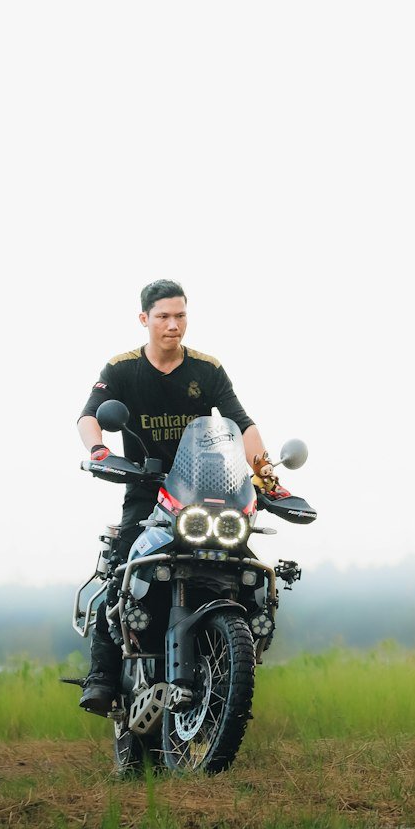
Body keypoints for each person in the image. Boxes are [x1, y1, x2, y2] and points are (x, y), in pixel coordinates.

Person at [76, 279, 275, 714]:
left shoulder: (207, 369)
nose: (173, 325)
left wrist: (264, 472)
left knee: (247, 566)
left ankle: (236, 655)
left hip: (206, 492)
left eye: (180, 315)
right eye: (163, 316)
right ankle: (103, 674)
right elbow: (90, 416)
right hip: (148, 492)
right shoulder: (122, 368)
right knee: (123, 566)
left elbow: (242, 423)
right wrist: (99, 450)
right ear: (144, 319)